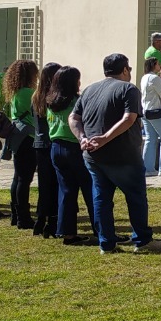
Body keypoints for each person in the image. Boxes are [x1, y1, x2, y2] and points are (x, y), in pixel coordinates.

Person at [72, 53, 161, 254]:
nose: (130, 72)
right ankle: (142, 240)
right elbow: (130, 118)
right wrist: (105, 137)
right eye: (129, 68)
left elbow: (73, 117)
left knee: (102, 198)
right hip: (123, 155)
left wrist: (82, 138)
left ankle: (107, 244)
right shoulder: (128, 89)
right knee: (136, 196)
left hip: (93, 155)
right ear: (124, 70)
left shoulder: (89, 90)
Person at [46, 66, 97, 243]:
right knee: (90, 189)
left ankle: (67, 232)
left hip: (56, 147)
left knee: (66, 191)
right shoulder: (76, 101)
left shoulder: (51, 101)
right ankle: (100, 228)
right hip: (75, 147)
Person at [3, 60, 40, 229]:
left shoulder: (16, 93)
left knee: (18, 177)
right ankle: (23, 218)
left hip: (18, 136)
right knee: (25, 179)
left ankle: (15, 214)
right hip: (29, 137)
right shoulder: (29, 93)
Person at [31, 62, 61, 238]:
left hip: (39, 143)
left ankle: (41, 219)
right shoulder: (53, 97)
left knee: (44, 185)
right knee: (56, 184)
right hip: (51, 142)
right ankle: (52, 221)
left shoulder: (36, 96)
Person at [139, 56, 161, 176]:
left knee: (150, 139)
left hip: (146, 111)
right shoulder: (155, 78)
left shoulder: (144, 77)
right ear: (154, 65)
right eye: (158, 64)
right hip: (157, 112)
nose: (160, 66)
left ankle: (148, 169)